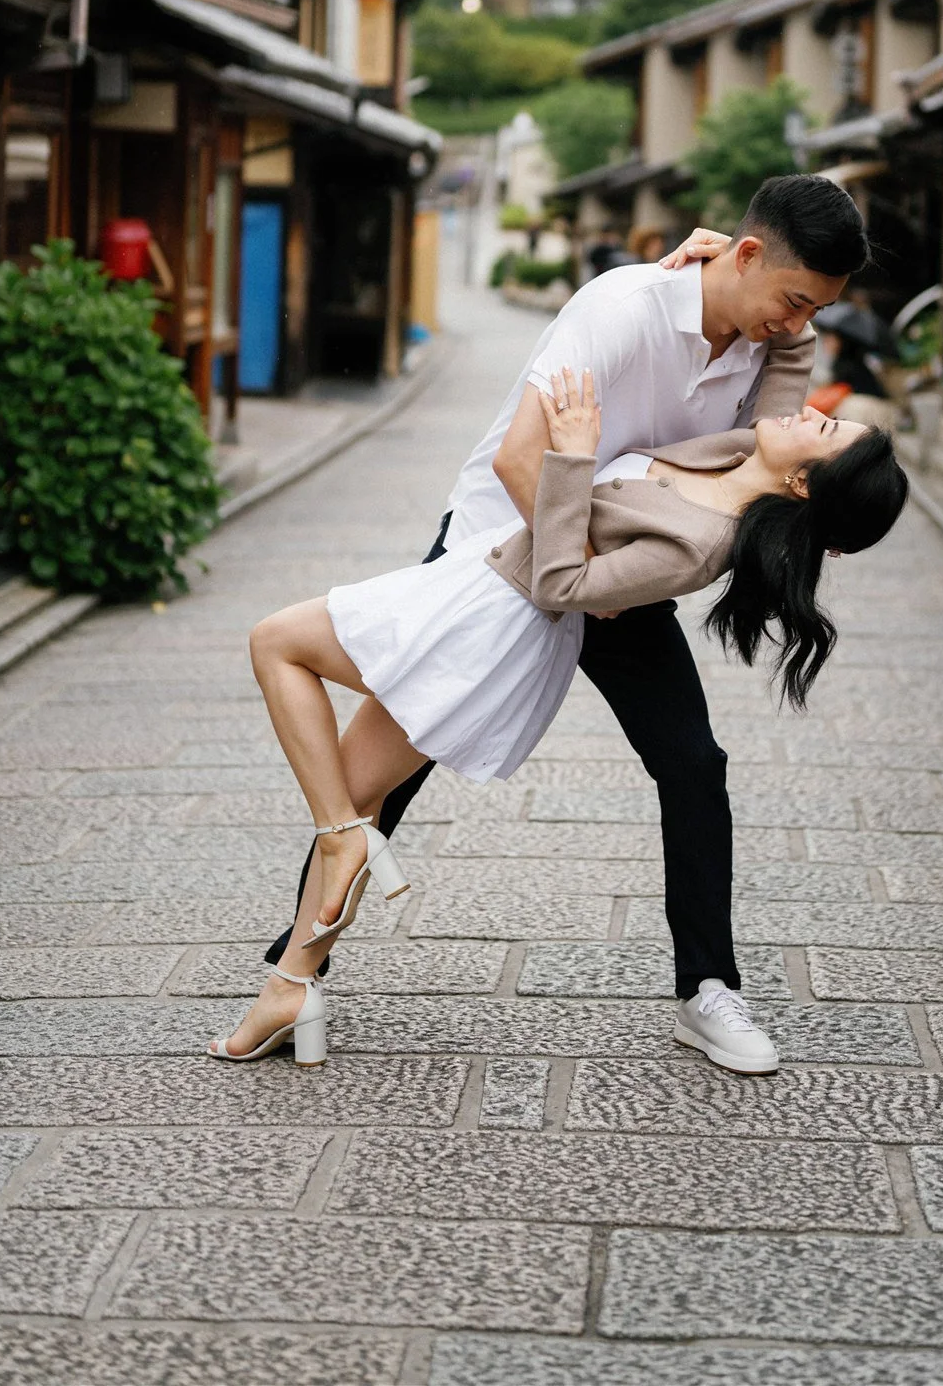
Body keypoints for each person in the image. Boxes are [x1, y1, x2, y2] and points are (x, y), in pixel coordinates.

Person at [263, 173, 870, 1072]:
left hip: (621, 568)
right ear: (744, 255)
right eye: (790, 298)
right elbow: (520, 457)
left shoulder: (767, 338)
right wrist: (579, 574)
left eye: (811, 309)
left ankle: (709, 990)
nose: (795, 322)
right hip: (499, 553)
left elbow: (785, 459)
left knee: (693, 764)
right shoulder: (624, 305)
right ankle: (294, 974)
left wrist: (608, 580)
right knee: (384, 775)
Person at [213, 371, 906, 1069]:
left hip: (488, 622)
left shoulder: (701, 539)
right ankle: (291, 985)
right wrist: (717, 257)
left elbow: (562, 586)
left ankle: (341, 842)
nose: (807, 412)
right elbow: (784, 333)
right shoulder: (734, 454)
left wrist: (574, 454)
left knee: (276, 644)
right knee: (360, 794)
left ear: (801, 487)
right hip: (476, 591)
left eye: (821, 428)